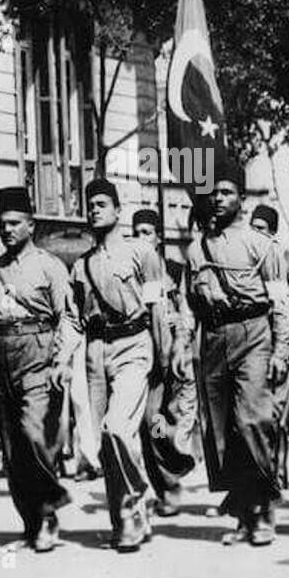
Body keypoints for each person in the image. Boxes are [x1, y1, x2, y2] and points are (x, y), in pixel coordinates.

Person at [176, 161, 289, 547]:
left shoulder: (263, 246)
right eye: (214, 192)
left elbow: (281, 302)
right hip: (213, 338)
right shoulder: (196, 250)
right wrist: (181, 345)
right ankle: (244, 514)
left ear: (242, 198)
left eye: (226, 192)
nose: (218, 198)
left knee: (252, 420)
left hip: (254, 333)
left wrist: (282, 348)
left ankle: (264, 508)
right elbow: (187, 303)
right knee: (223, 430)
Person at [0, 187, 75, 552]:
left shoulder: (50, 266)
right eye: (3, 224)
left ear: (31, 224)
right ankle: (31, 520)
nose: (8, 230)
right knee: (12, 449)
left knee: (34, 434)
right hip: (1, 361)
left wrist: (61, 360)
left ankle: (48, 512)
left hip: (38, 357)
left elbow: (69, 319)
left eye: (15, 223)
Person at [68, 181, 169, 551]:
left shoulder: (142, 253)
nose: (94, 210)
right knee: (104, 441)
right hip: (96, 349)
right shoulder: (81, 265)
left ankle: (134, 504)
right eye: (89, 205)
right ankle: (128, 517)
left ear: (117, 209)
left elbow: (158, 307)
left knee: (117, 429)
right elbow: (74, 317)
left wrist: (164, 355)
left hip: (134, 343)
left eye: (101, 204)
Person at [131, 208, 196, 517]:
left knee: (163, 419)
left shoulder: (175, 269)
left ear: (158, 237)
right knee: (150, 423)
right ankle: (167, 483)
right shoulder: (131, 271)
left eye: (147, 232)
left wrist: (180, 342)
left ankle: (175, 469)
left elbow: (186, 310)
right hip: (139, 352)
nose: (141, 238)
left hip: (171, 355)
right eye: (136, 232)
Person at [249, 202, 289, 487]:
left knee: (277, 415)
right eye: (253, 228)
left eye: (261, 229)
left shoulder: (287, 263)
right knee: (259, 414)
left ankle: (279, 470)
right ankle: (264, 473)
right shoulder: (248, 262)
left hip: (282, 347)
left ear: (273, 233)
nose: (256, 234)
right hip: (254, 347)